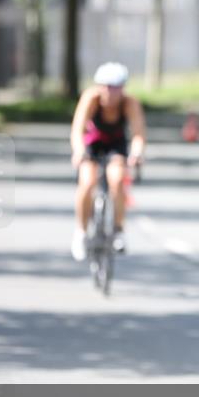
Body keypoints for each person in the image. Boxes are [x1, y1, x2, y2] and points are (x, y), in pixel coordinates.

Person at [69, 62, 146, 261]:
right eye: (106, 86)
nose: (110, 92)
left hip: (116, 145)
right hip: (92, 144)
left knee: (118, 180)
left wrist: (136, 153)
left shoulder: (129, 103)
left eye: (116, 87)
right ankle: (81, 232)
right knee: (87, 182)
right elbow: (77, 130)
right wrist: (79, 151)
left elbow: (138, 134)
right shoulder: (90, 99)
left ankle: (119, 230)